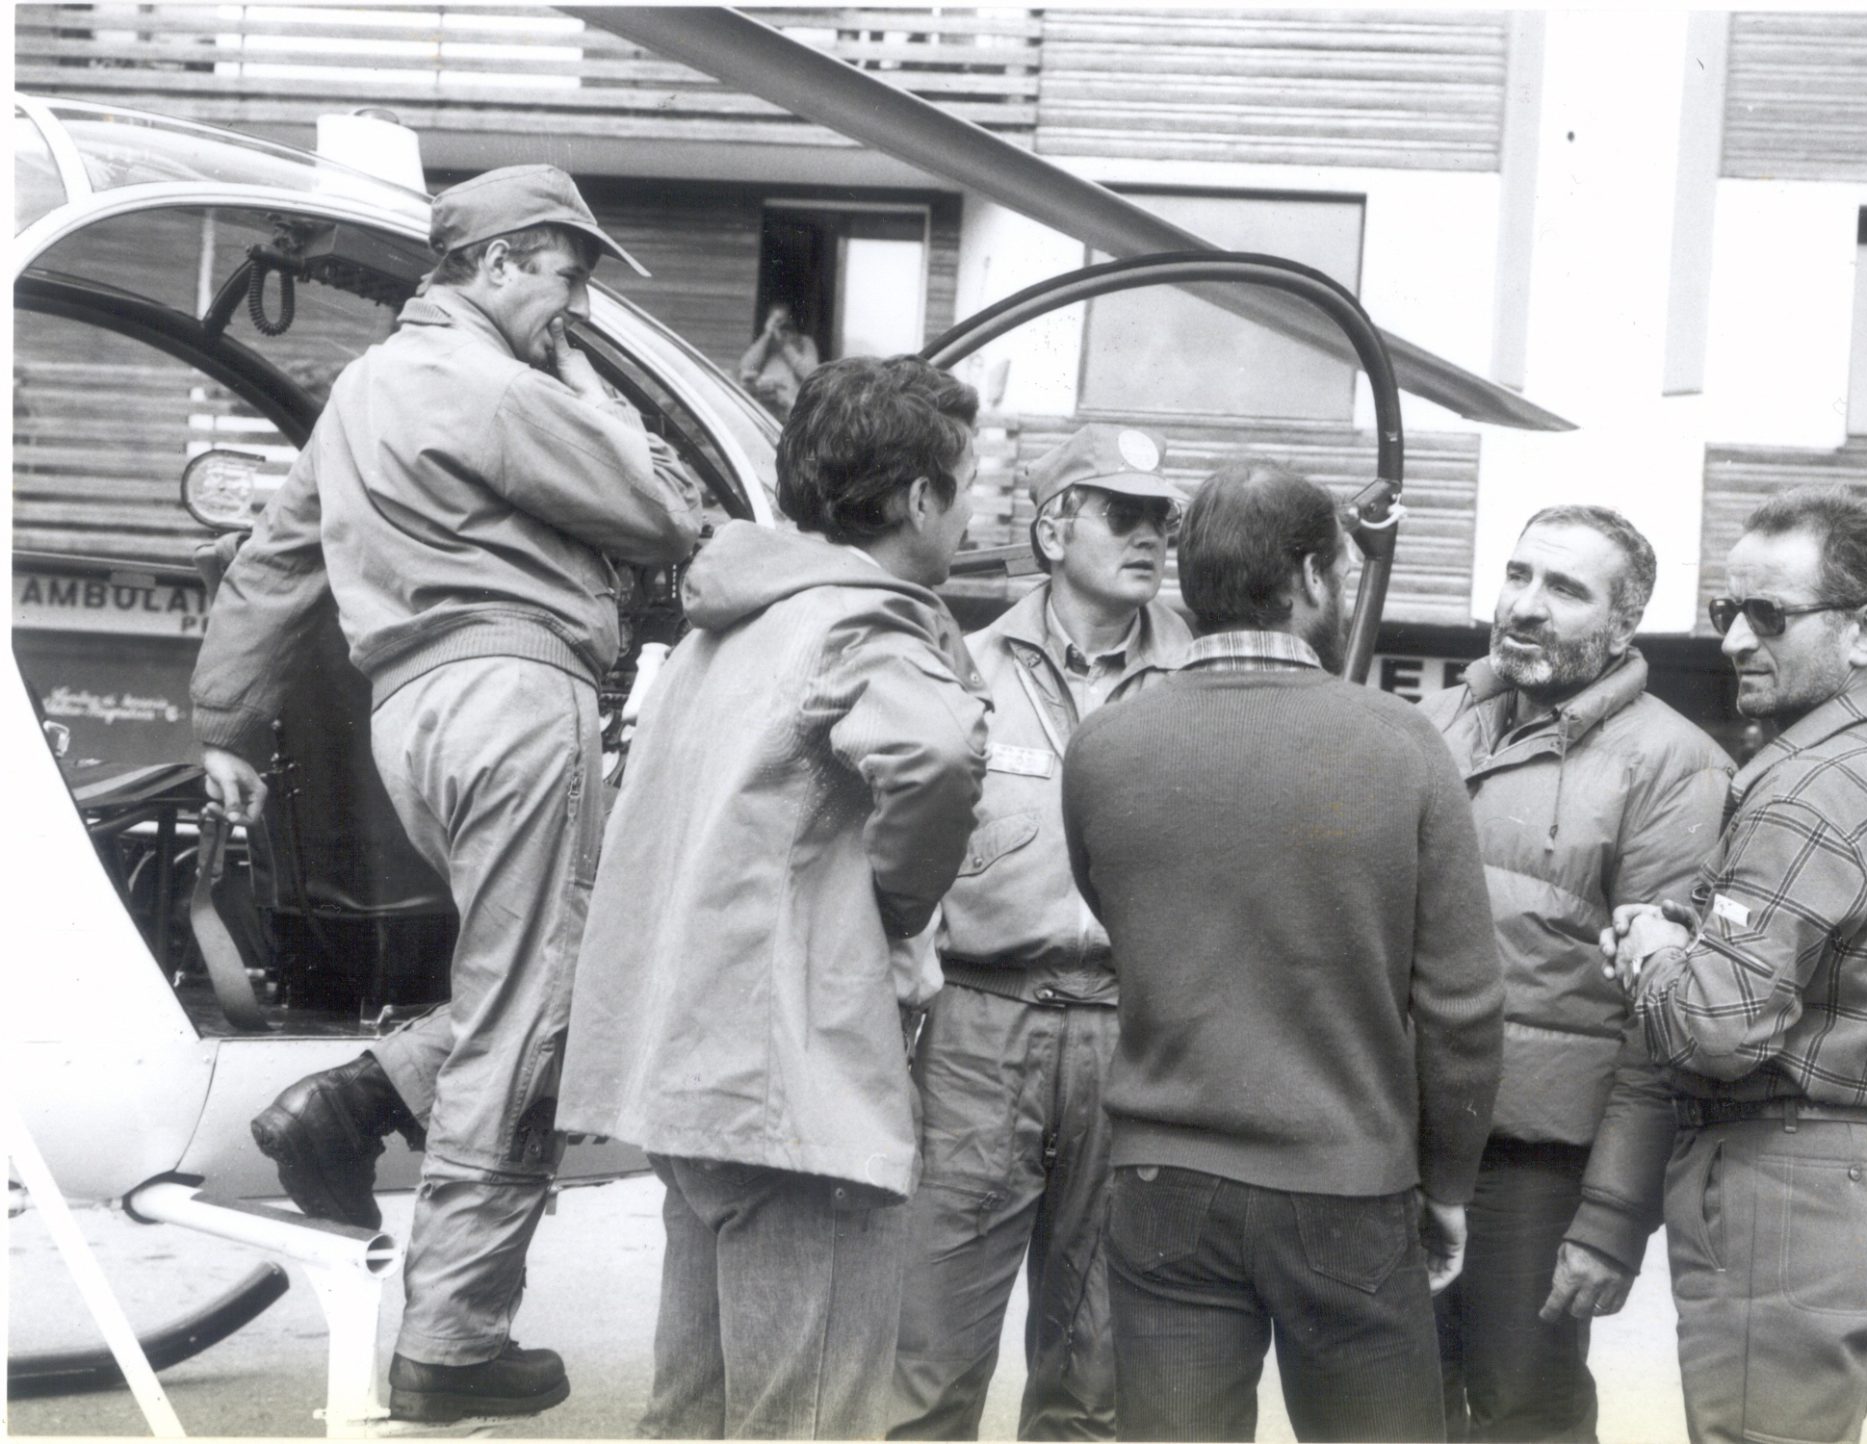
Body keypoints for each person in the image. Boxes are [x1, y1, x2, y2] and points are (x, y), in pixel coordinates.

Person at [190, 163, 703, 1423]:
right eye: (565, 276)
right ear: (497, 262)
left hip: (411, 721)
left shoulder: (363, 391)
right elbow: (658, 514)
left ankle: (353, 1099)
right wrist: (584, 390)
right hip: (518, 695)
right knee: (539, 1004)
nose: (572, 306)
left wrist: (226, 726)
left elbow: (273, 562)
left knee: (522, 979)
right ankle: (453, 1334)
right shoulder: (497, 387)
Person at [557, 355, 991, 1440]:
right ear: (918, 499)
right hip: (797, 1091)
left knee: (691, 1419)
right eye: (966, 484)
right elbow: (935, 756)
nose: (971, 508)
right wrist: (897, 914)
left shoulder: (728, 623)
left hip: (694, 1076)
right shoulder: (865, 623)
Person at [1062, 458, 1504, 1443]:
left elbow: (1115, 909)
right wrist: (1447, 1186)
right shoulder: (1402, 744)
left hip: (1160, 1181)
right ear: (1310, 576)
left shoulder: (1105, 745)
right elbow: (1463, 1007)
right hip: (1345, 1180)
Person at [1605, 485, 1867, 1444]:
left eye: (1768, 615)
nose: (1734, 640)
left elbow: (1714, 1028)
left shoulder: (1807, 788)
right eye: (1728, 612)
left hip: (1787, 1190)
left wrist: (1653, 952)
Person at [889, 424, 1192, 1441]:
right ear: (1052, 529)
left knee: (1094, 1377)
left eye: (1162, 518)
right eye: (1122, 513)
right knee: (928, 1360)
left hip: (1132, 1040)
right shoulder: (961, 667)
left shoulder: (1201, 684)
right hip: (979, 1031)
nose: (1150, 536)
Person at [1419, 507, 1732, 1442]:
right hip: (1399, 1136)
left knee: (1524, 1412)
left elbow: (1662, 1022)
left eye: (1564, 588)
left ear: (1624, 623)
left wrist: (1611, 1217)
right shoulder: (1433, 724)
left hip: (1537, 1165)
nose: (1526, 605)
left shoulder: (1677, 767)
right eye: (1517, 576)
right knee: (1392, 1403)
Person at [737, 300, 820, 418]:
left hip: (792, 411)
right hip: (766, 411)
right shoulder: (766, 343)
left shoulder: (805, 342)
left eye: (783, 320)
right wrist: (766, 335)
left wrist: (786, 346)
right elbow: (746, 366)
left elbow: (811, 374)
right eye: (775, 321)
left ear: (792, 320)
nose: (780, 326)